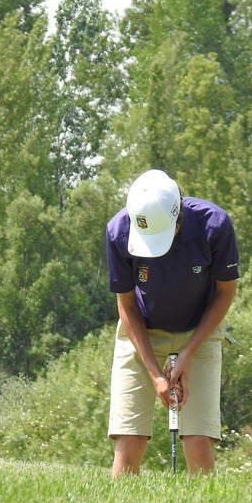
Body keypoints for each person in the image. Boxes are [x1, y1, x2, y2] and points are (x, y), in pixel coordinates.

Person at [105, 169, 239, 476]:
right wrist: (156, 374)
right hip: (141, 330)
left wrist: (188, 353)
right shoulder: (118, 231)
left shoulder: (214, 226)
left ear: (179, 217)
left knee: (198, 440)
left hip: (200, 330)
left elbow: (225, 293)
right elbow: (126, 305)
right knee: (128, 441)